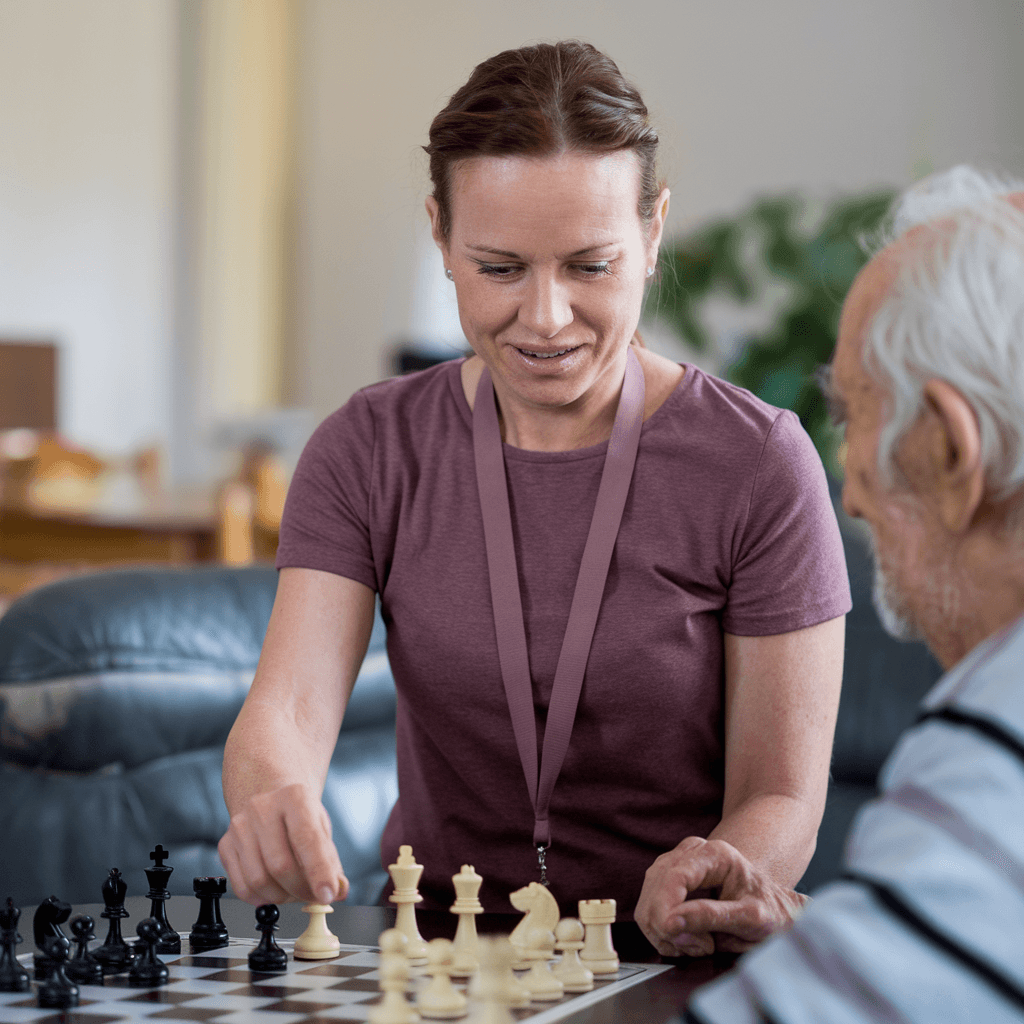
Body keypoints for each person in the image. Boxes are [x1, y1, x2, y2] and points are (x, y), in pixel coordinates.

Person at [217, 40, 850, 933]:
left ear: (653, 229)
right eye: (500, 267)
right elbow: (284, 709)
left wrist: (715, 875)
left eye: (590, 266)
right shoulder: (367, 446)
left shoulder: (760, 465)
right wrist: (272, 798)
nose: (545, 318)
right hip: (435, 955)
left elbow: (782, 793)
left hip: (663, 960)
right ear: (440, 233)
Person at [670, 166, 1024, 1021]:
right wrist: (835, 936)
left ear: (948, 449)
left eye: (855, 415)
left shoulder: (996, 728)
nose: (850, 494)